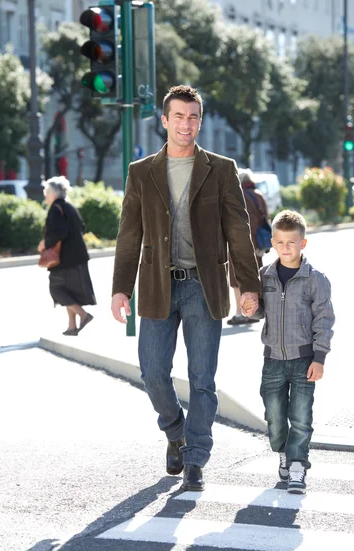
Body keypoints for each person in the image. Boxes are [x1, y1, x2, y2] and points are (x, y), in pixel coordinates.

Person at [111, 85, 260, 491]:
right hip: (158, 286)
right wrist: (120, 288)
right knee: (153, 373)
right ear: (164, 120)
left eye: (193, 116)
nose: (186, 123)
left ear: (199, 121)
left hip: (204, 287)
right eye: (178, 116)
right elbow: (129, 235)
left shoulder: (220, 169)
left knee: (202, 379)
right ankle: (175, 430)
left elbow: (239, 233)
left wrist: (248, 286)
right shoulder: (141, 172)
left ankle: (195, 457)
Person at [242, 210, 334, 494]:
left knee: (302, 416)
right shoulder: (264, 276)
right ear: (273, 241)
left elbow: (324, 320)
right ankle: (283, 451)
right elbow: (258, 313)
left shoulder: (315, 279)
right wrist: (250, 310)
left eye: (291, 242)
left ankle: (297, 466)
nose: (285, 248)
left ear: (302, 244)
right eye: (280, 242)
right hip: (272, 361)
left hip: (304, 360)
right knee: (274, 415)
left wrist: (319, 358)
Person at [38, 176, 96, 336]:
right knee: (69, 291)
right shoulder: (69, 207)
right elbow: (81, 228)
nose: (45, 194)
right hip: (77, 256)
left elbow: (60, 232)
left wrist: (45, 243)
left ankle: (83, 315)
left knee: (57, 289)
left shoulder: (56, 209)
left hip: (65, 259)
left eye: (47, 191)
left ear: (54, 192)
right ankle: (72, 326)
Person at [227, 169, 269, 325]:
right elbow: (266, 216)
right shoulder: (258, 194)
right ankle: (255, 310)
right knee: (255, 277)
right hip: (257, 244)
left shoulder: (241, 196)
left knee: (236, 280)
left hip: (240, 244)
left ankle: (241, 313)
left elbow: (242, 222)